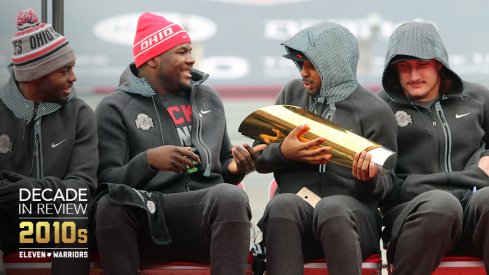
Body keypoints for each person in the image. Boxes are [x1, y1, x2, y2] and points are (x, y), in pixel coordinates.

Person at [92, 12, 265, 275]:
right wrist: (148, 161)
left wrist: (236, 168)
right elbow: (106, 179)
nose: (191, 59)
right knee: (109, 205)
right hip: (146, 224)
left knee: (230, 196)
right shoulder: (114, 107)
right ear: (152, 58)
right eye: (182, 51)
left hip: (199, 220)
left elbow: (222, 162)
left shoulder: (208, 98)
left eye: (191, 50)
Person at [254, 22, 398, 275]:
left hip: (352, 222)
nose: (303, 73)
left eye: (312, 66)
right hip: (297, 217)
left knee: (332, 208)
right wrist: (283, 153)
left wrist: (370, 180)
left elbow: (389, 185)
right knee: (282, 204)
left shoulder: (375, 111)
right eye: (301, 65)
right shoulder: (291, 95)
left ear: (334, 65)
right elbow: (259, 158)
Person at [378, 21, 489, 274]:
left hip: (474, 213)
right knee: (441, 204)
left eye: (422, 65)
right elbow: (382, 184)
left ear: (439, 63)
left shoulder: (478, 98)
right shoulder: (379, 109)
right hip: (416, 216)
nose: (414, 76)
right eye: (404, 67)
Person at [0, 9, 98, 275]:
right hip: (7, 221)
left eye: (72, 67)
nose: (73, 78)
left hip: (55, 220)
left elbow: (82, 187)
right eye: (64, 70)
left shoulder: (80, 114)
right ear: (35, 76)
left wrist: (29, 190)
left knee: (74, 215)